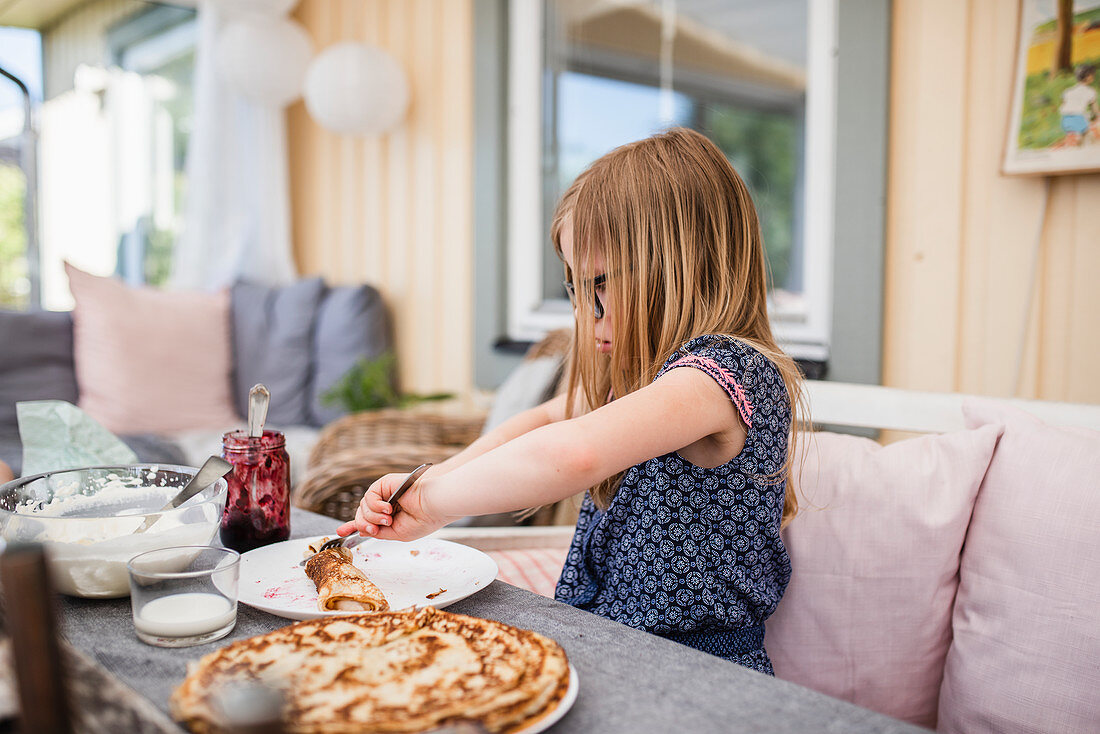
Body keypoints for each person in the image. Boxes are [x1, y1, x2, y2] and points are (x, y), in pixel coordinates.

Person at [338, 128, 807, 674]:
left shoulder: (725, 374)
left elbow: (571, 452)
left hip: (697, 674)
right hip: (607, 650)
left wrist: (434, 502)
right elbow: (540, 421)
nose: (588, 314)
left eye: (601, 288)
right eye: (577, 291)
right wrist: (430, 480)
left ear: (678, 267)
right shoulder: (639, 378)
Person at [1059, 64, 1099, 146]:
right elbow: (1095, 109)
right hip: (1078, 119)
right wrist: (1097, 117)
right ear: (1089, 77)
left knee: (1078, 134)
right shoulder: (1090, 91)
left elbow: (1064, 105)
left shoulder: (1068, 91)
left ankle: (1074, 142)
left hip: (1065, 120)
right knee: (1089, 136)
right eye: (1093, 75)